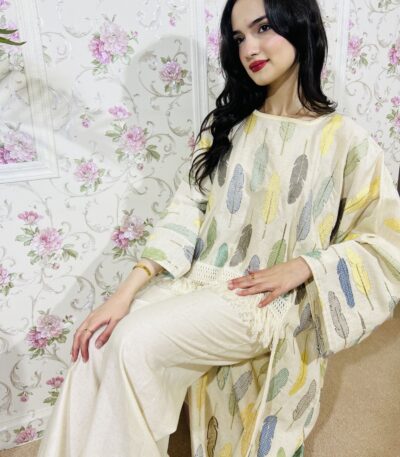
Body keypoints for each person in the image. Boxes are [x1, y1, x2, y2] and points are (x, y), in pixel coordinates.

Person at [36, 0, 400, 455]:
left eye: (263, 28)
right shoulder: (228, 129)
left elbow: (385, 244)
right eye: (239, 37)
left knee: (131, 344)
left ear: (299, 25)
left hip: (263, 302)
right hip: (200, 279)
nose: (249, 48)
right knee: (97, 344)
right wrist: (124, 293)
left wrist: (305, 266)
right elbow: (185, 210)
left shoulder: (346, 140)